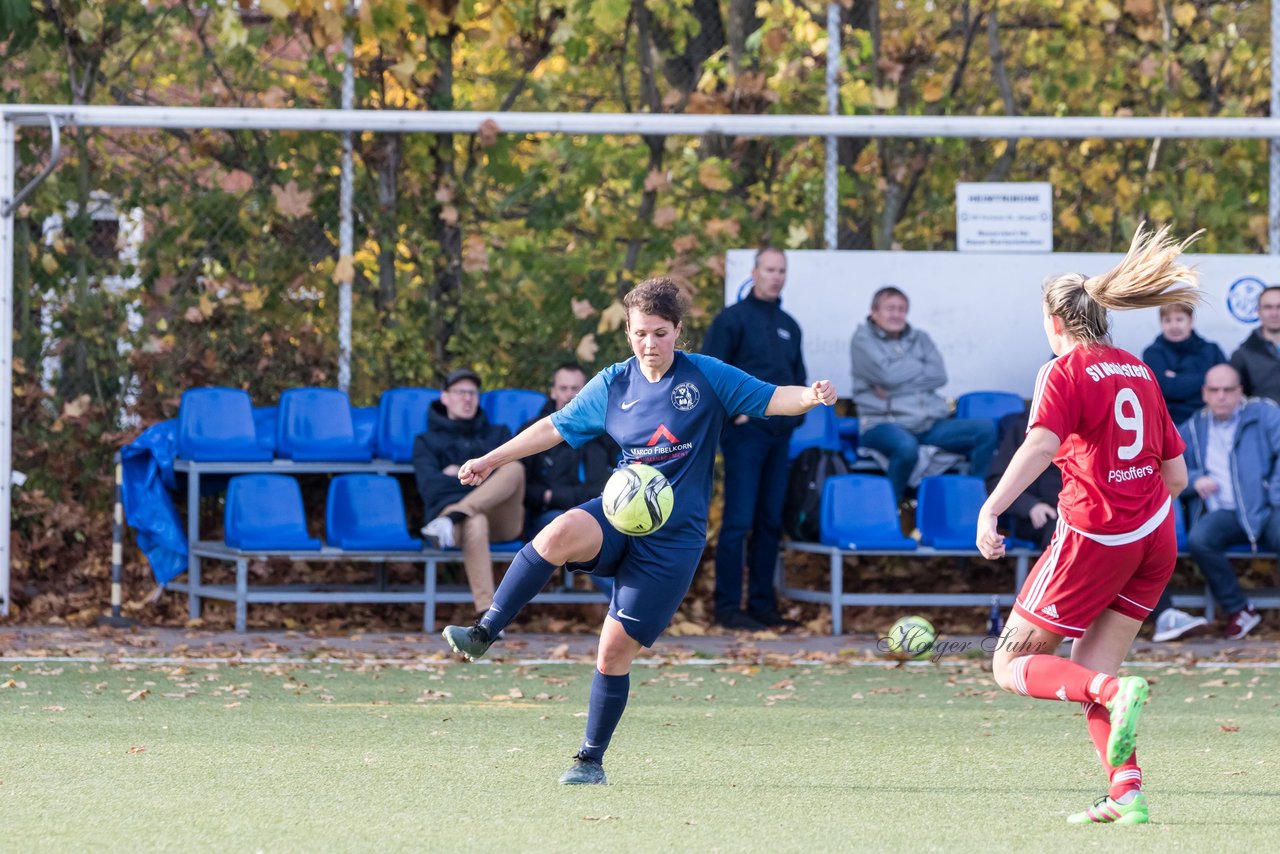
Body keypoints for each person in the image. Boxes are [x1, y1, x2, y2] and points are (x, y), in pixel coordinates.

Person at [439, 277, 836, 785]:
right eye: (640, 333)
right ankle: (484, 631)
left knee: (611, 653)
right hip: (621, 512)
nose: (650, 344)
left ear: (678, 332)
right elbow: (554, 427)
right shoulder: (613, 382)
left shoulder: (707, 377)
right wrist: (492, 460)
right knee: (557, 534)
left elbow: (772, 398)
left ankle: (589, 759)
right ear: (627, 332)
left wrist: (812, 395)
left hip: (673, 540)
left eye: (661, 333)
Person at [977, 223, 1199, 825]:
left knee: (1010, 664)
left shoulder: (1063, 369)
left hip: (1095, 536)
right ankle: (1126, 792)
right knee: (1092, 671)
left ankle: (1113, 698)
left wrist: (992, 506)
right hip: (1156, 536)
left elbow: (1042, 443)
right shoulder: (1139, 369)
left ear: (1056, 323)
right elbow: (1177, 478)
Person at [702, 247, 806, 630]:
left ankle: (763, 606)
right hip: (745, 437)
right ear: (754, 272)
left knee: (769, 522)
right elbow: (710, 375)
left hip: (779, 439)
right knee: (738, 521)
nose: (776, 276)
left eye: (782, 270)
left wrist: (793, 420)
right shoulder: (731, 320)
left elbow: (799, 378)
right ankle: (728, 608)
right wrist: (738, 417)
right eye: (769, 269)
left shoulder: (789, 325)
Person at [850, 286, 997, 502]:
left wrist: (893, 380)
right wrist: (918, 367)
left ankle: (975, 505)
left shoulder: (921, 338)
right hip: (882, 424)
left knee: (986, 430)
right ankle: (889, 512)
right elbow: (887, 374)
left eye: (902, 309)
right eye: (890, 308)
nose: (897, 314)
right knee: (906, 447)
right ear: (874, 312)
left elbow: (939, 375)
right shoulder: (862, 339)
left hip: (928, 424)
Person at [412, 367, 525, 615]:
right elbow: (430, 488)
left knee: (514, 468)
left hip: (501, 518)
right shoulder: (426, 441)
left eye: (472, 393)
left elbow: (510, 480)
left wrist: (457, 474)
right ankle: (488, 615)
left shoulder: (499, 434)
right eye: (461, 392)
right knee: (476, 520)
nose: (467, 398)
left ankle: (454, 514)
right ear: (445, 397)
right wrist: (484, 478)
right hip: (463, 525)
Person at [1179, 363, 1280, 640]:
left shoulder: (1264, 414)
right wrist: (1194, 479)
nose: (1221, 396)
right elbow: (1164, 462)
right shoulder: (1194, 427)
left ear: (1240, 392)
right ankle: (1239, 609)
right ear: (1204, 393)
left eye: (1228, 390)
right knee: (1200, 540)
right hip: (1225, 512)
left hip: (1266, 508)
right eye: (1214, 390)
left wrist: (1274, 494)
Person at [521, 362, 619, 595]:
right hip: (546, 518)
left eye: (576, 388)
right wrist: (546, 497)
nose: (570, 394)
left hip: (597, 512)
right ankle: (630, 607)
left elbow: (613, 481)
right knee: (571, 527)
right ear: (553, 391)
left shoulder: (606, 431)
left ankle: (636, 607)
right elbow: (520, 487)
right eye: (563, 388)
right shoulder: (534, 432)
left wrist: (553, 495)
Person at [984, 410, 1061, 550]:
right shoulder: (1023, 427)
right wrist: (1031, 505)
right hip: (1038, 515)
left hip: (1078, 510)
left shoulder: (1090, 426)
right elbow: (995, 481)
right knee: (1060, 532)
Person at [1141, 302, 1226, 424]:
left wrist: (1177, 378)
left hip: (1211, 421)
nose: (1174, 326)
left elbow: (1225, 385)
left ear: (1191, 321)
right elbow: (1166, 388)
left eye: (1179, 319)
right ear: (1161, 323)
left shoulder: (1211, 350)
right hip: (1170, 424)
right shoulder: (1152, 353)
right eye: (1167, 320)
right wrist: (1207, 378)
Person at [1229, 285, 1280, 403]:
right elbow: (1237, 402)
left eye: (1279, 307)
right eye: (1268, 307)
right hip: (1263, 420)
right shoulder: (1242, 355)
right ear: (1258, 311)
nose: (1274, 313)